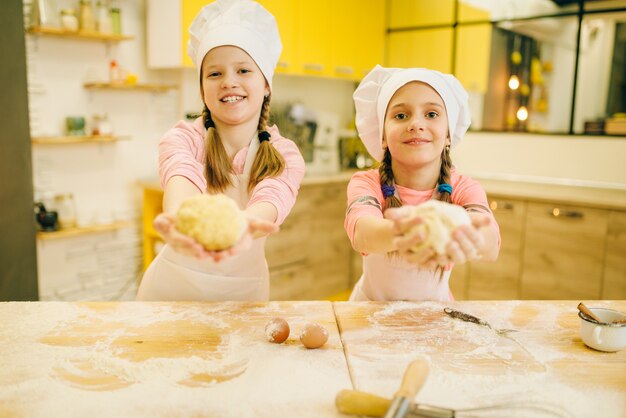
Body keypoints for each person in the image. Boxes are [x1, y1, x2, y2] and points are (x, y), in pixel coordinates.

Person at [137, 0, 305, 301]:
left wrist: (243, 227)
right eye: (214, 74)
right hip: (170, 296)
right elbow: (181, 182)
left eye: (243, 70)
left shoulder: (285, 154)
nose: (229, 82)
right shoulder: (183, 138)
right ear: (202, 88)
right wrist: (178, 221)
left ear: (266, 84)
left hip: (244, 298)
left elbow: (270, 200)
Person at [345, 65, 500, 301]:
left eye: (431, 114)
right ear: (382, 135)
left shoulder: (464, 188)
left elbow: (491, 244)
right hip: (368, 313)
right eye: (400, 115)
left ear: (448, 133)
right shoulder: (367, 183)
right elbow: (363, 234)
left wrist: (473, 235)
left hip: (434, 317)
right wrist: (404, 231)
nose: (416, 124)